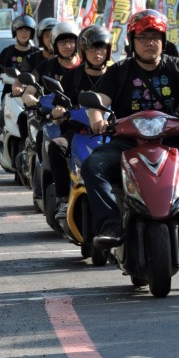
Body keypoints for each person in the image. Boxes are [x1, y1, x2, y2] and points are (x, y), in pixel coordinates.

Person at [80, 9, 179, 245]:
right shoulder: (119, 70)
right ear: (132, 42)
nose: (149, 43)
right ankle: (111, 224)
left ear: (163, 41)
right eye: (142, 38)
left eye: (155, 37)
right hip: (126, 142)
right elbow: (99, 102)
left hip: (171, 141)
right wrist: (97, 119)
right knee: (93, 165)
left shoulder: (175, 66)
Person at [47, 25, 112, 223]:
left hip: (112, 130)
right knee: (56, 146)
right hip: (77, 130)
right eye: (92, 48)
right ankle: (64, 199)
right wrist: (58, 112)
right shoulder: (71, 78)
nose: (97, 53)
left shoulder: (116, 74)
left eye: (101, 48)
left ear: (108, 50)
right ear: (83, 51)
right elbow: (57, 109)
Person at [21, 21, 81, 108]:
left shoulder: (85, 67)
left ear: (77, 43)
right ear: (55, 45)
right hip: (49, 116)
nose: (67, 46)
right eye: (62, 42)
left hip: (81, 118)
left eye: (71, 41)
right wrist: (29, 97)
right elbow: (28, 92)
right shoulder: (45, 66)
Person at [0, 15, 38, 102]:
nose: (24, 33)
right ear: (15, 31)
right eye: (20, 29)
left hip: (32, 99)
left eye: (27, 30)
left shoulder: (36, 53)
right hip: (9, 98)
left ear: (31, 33)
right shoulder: (6, 52)